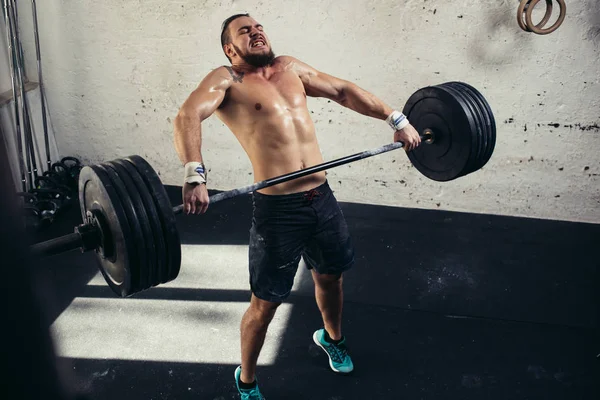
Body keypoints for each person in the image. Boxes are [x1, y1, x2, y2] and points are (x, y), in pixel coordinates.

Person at [173, 13, 422, 399]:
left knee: (330, 277)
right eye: (245, 31)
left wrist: (396, 117)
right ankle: (247, 379)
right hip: (278, 212)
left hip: (321, 198)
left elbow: (341, 89)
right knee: (266, 303)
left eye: (258, 27)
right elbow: (189, 114)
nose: (256, 32)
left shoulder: (289, 67)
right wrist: (194, 173)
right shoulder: (226, 79)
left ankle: (332, 338)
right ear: (229, 48)